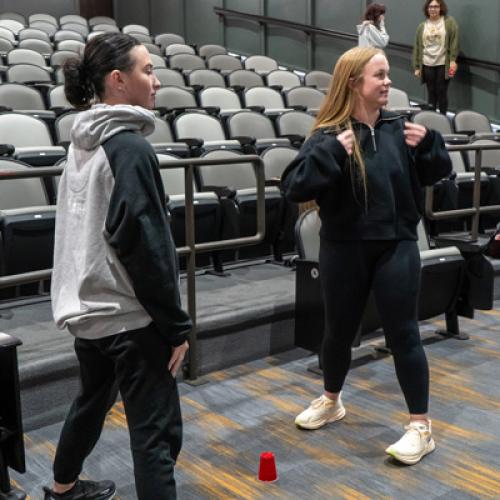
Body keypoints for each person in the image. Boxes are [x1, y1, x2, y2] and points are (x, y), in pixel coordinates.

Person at [281, 46, 452, 465]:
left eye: (388, 75)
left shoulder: (400, 128)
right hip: (343, 247)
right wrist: (330, 153)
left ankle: (420, 427)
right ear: (354, 83)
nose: (389, 82)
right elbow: (294, 187)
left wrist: (430, 144)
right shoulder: (329, 136)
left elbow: (438, 173)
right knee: (337, 332)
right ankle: (331, 400)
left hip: (396, 245)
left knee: (403, 334)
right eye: (380, 75)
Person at [44, 33, 192, 500]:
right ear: (117, 80)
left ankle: (62, 489)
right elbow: (145, 245)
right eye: (146, 70)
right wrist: (175, 325)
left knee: (91, 402)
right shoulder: (128, 147)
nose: (155, 79)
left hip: (89, 311)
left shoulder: (83, 141)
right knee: (155, 435)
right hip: (129, 316)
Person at [413, 0, 459, 115]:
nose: (433, 9)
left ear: (440, 8)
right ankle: (432, 117)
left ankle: (443, 118)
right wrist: (417, 67)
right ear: (427, 9)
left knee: (441, 92)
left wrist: (453, 60)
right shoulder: (422, 26)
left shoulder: (449, 22)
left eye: (436, 6)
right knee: (431, 92)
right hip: (427, 63)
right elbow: (417, 47)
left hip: (443, 63)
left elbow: (455, 41)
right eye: (430, 7)